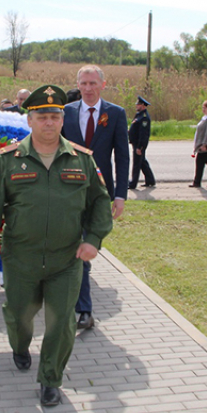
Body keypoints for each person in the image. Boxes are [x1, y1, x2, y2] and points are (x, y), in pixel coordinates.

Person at [0, 84, 113, 407]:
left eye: (54, 116)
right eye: (42, 117)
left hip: (66, 259)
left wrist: (93, 240)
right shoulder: (8, 161)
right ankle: (20, 345)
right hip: (21, 258)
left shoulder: (83, 160)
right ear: (30, 121)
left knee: (61, 321)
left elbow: (100, 204)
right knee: (20, 314)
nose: (49, 122)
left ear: (62, 120)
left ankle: (50, 379)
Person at [62, 64, 129, 330]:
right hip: (68, 191)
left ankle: (81, 305)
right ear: (78, 85)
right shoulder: (66, 113)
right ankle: (84, 309)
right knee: (78, 247)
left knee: (88, 245)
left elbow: (122, 157)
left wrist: (121, 195)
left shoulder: (115, 114)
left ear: (102, 84)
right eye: (83, 83)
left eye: (93, 83)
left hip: (100, 194)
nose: (88, 88)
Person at [127, 96, 155, 189]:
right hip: (135, 142)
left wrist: (140, 147)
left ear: (143, 106)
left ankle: (133, 183)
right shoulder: (138, 115)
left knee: (137, 164)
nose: (136, 106)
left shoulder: (144, 118)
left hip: (139, 144)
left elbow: (144, 134)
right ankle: (150, 180)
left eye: (138, 104)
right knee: (142, 162)